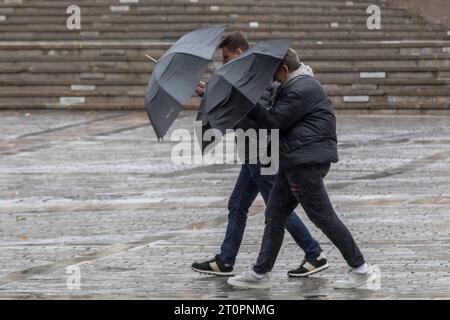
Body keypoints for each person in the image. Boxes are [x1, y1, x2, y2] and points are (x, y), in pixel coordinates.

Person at [227, 48, 380, 289]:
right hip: (293, 160)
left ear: (285, 69)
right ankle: (259, 273)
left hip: (304, 163)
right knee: (275, 215)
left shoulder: (299, 89)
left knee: (324, 217)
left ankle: (361, 269)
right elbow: (272, 112)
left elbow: (274, 121)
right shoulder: (295, 85)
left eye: (275, 73)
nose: (272, 78)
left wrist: (245, 102)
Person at [192, 33, 328, 278]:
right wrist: (209, 94)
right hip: (251, 150)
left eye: (226, 57)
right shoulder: (245, 77)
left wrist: (221, 96)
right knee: (238, 204)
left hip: (261, 151)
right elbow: (239, 109)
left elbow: (260, 116)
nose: (224, 63)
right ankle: (225, 260)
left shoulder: (258, 77)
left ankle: (313, 252)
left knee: (277, 209)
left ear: (239, 53)